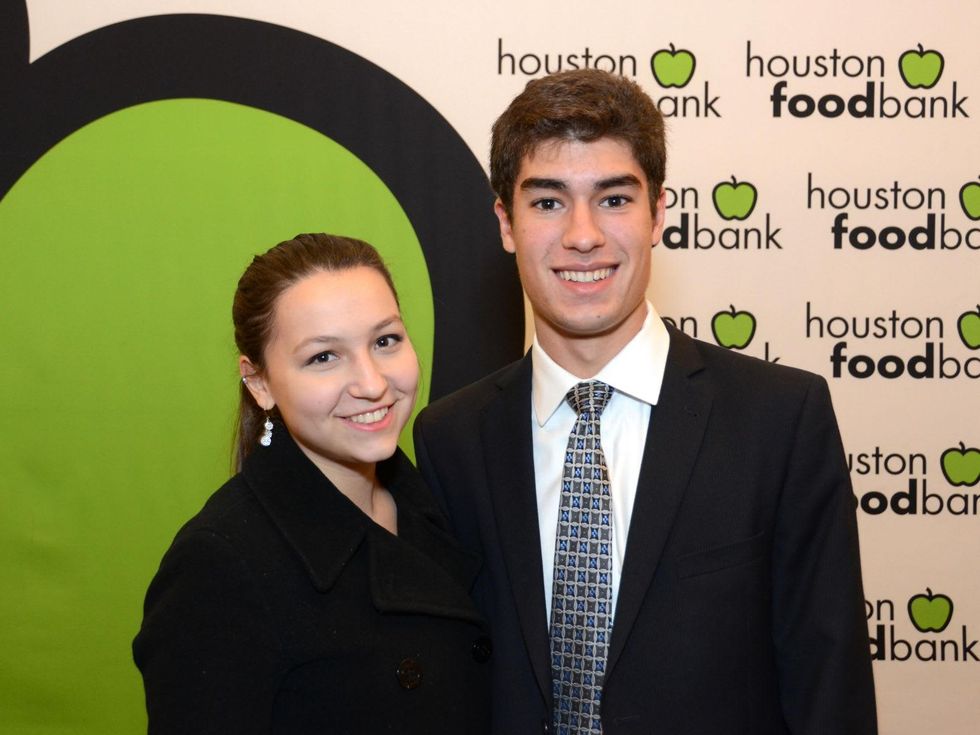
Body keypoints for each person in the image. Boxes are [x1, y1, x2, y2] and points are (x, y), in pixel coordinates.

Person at [413, 70, 877, 734]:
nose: (582, 235)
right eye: (547, 202)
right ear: (505, 223)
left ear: (658, 213)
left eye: (613, 199)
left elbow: (831, 689)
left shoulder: (778, 420)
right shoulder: (451, 439)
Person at [133, 233, 491, 734]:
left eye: (385, 341)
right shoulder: (219, 565)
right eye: (324, 357)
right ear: (258, 383)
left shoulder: (444, 498)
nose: (371, 383)